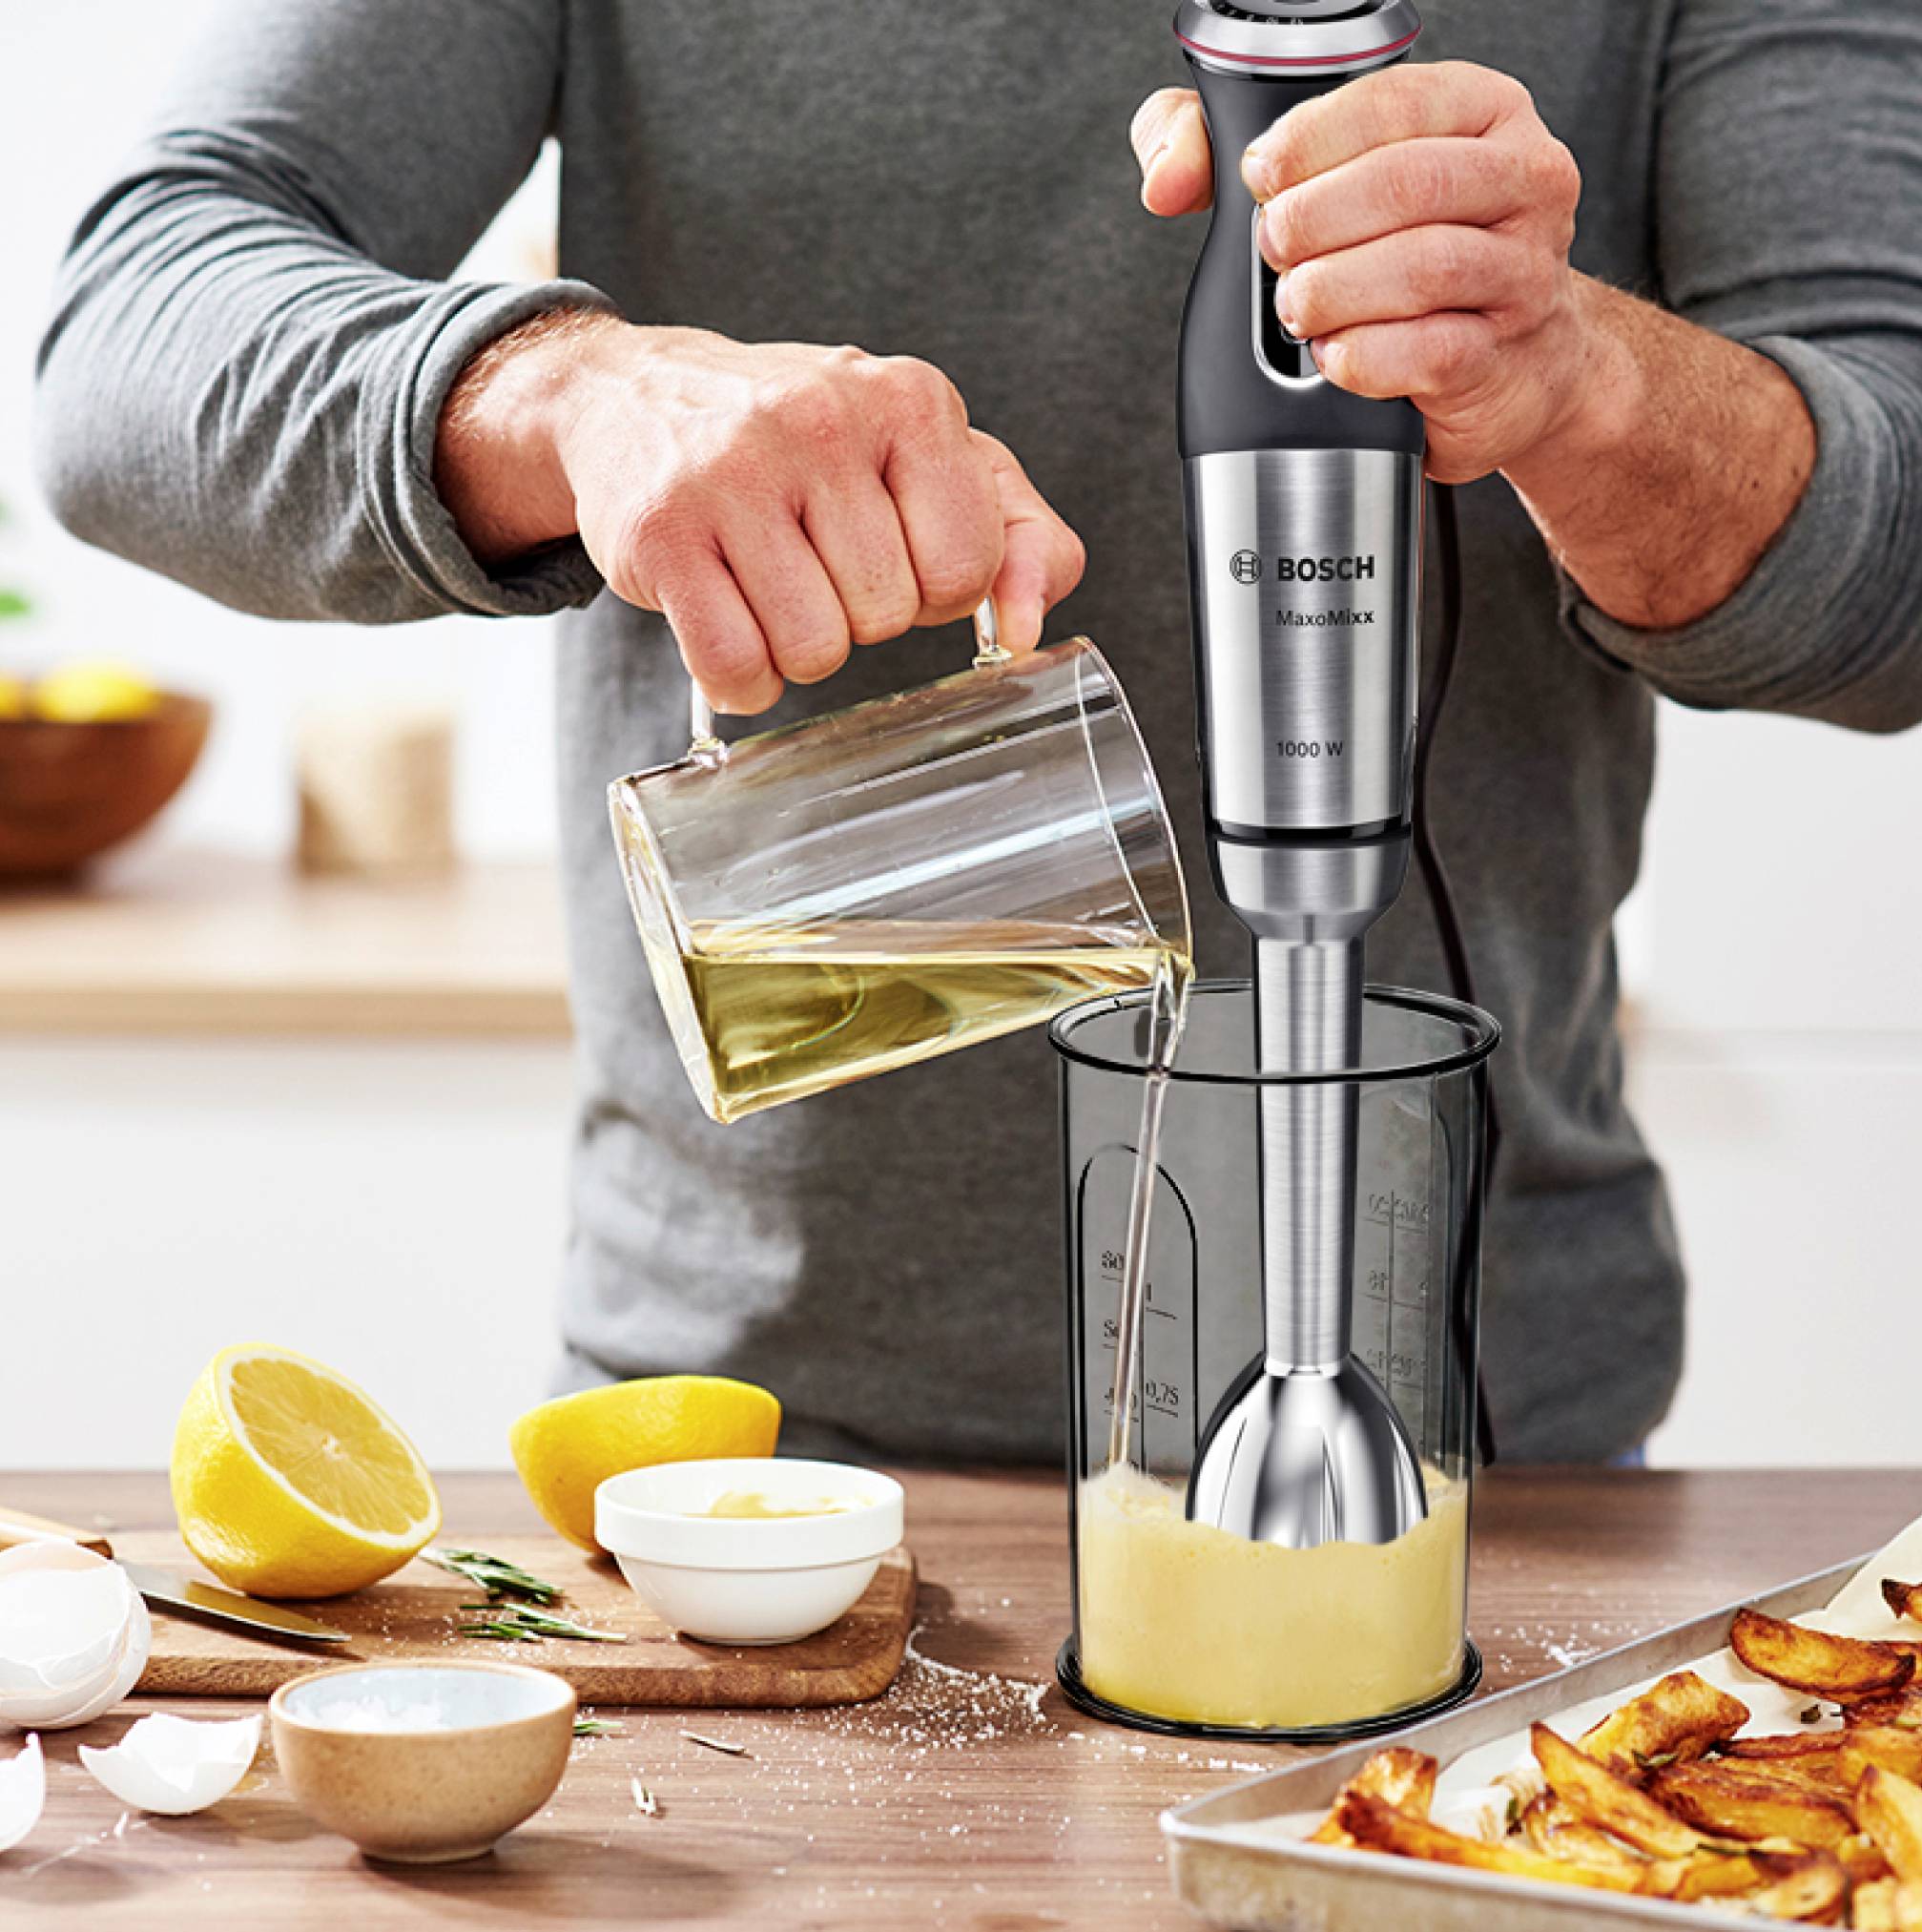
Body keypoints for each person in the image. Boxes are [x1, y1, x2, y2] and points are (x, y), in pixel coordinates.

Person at [35, 2, 1922, 1464]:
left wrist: (1581, 385)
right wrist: (567, 397)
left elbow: (1897, 575)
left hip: (1477, 1439)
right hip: (751, 1472)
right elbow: (123, 339)